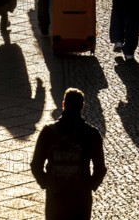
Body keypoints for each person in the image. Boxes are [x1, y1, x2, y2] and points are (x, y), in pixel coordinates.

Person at [31, 87, 107, 220]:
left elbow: (36, 164)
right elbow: (100, 168)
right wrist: (89, 186)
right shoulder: (91, 133)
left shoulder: (48, 132)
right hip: (80, 195)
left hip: (56, 194)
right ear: (82, 106)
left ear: (63, 104)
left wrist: (46, 183)